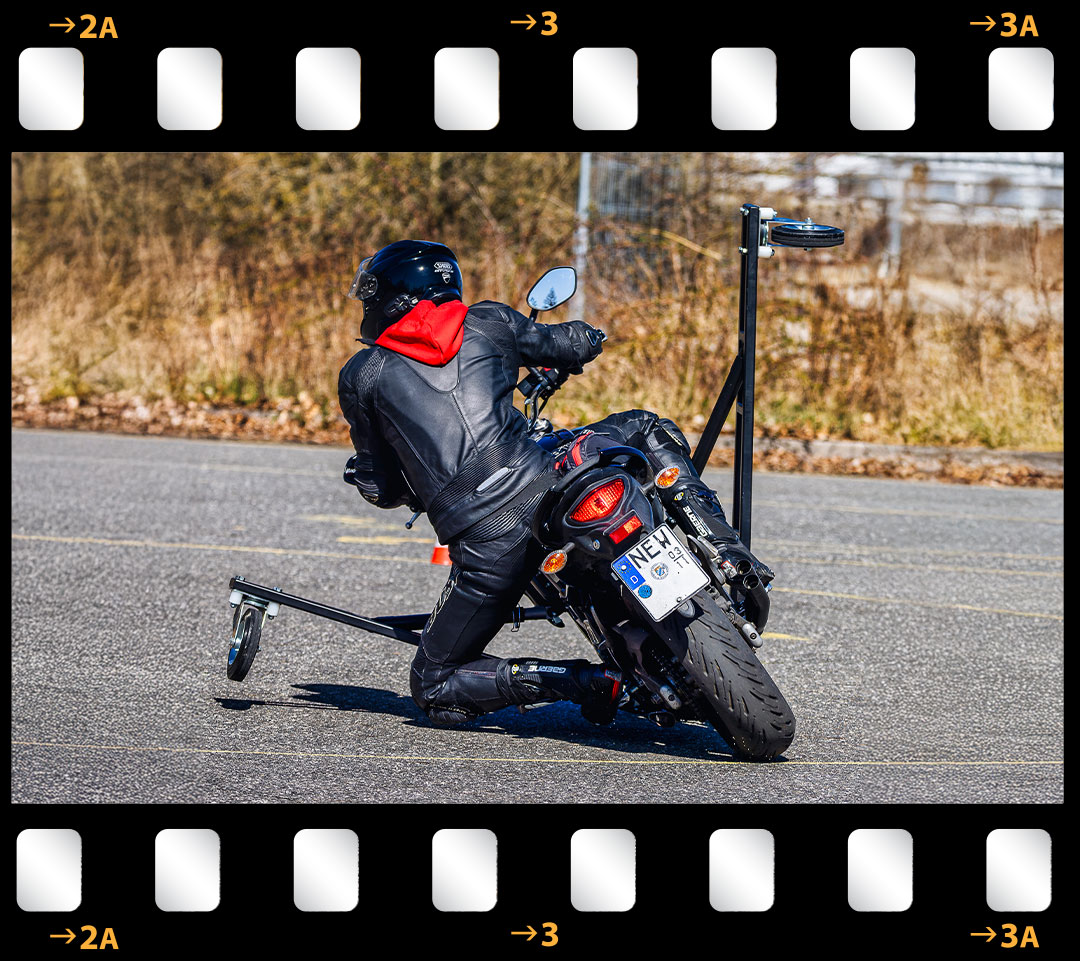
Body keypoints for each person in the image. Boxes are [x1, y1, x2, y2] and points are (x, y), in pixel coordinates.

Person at [338, 240, 773, 727]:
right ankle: (726, 551)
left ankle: (582, 682)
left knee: (435, 681)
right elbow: (574, 343)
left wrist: (381, 483)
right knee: (645, 427)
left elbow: (381, 485)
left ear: (392, 295)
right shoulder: (489, 322)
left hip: (488, 543)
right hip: (545, 481)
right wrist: (586, 338)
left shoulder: (362, 374)